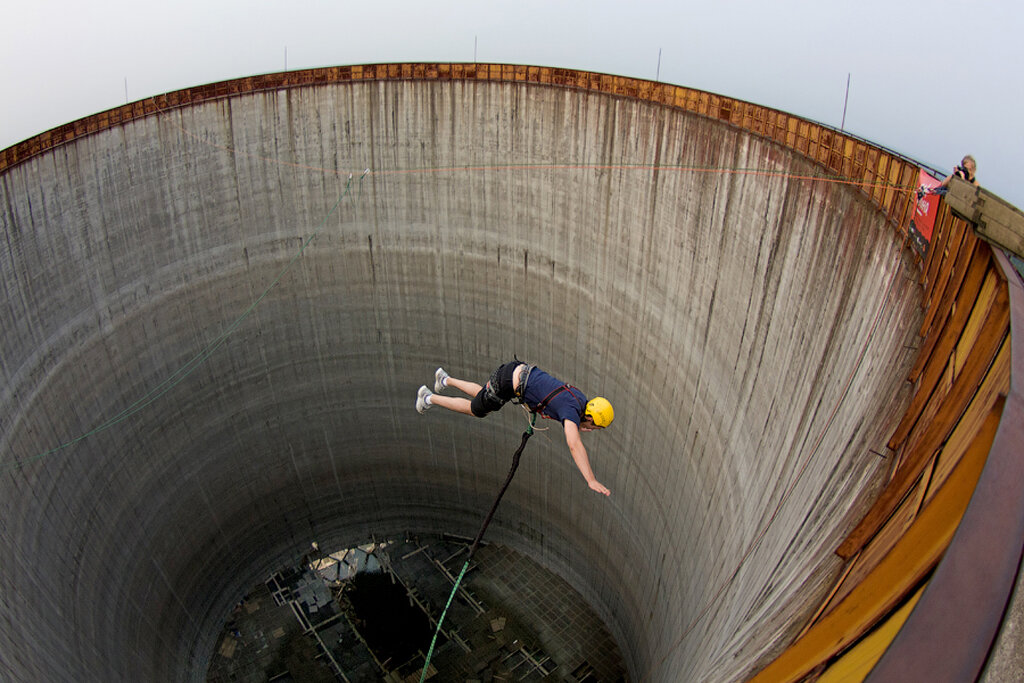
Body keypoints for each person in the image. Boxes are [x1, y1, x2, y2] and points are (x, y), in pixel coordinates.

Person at [415, 360, 614, 496]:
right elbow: (573, 444)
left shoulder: (579, 399)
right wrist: (591, 479)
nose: (591, 429)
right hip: (508, 383)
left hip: (516, 371)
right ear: (588, 417)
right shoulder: (571, 411)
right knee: (475, 409)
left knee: (484, 396)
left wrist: (579, 425)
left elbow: (563, 407)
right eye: (593, 427)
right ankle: (428, 397)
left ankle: (444, 379)